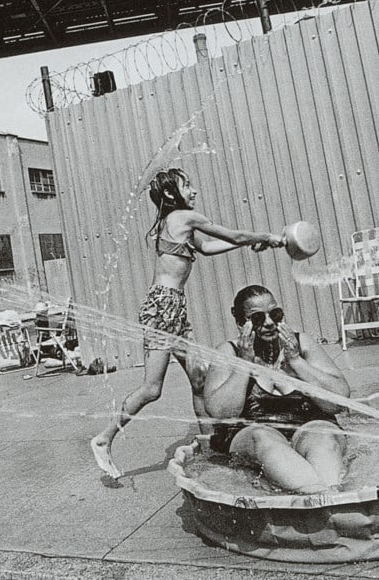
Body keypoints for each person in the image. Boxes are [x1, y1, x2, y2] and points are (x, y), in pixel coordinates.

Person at [90, 168, 288, 479]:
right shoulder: (183, 217)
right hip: (162, 308)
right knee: (152, 389)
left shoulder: (179, 223)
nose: (193, 190)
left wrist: (247, 244)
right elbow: (233, 235)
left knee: (199, 380)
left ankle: (213, 446)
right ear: (171, 194)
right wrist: (266, 237)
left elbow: (208, 248)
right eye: (187, 186)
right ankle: (104, 439)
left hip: (175, 308)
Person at [204, 285, 350, 493]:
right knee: (262, 436)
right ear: (240, 323)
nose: (270, 323)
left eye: (275, 314)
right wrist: (244, 363)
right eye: (257, 318)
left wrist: (296, 361)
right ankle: (318, 494)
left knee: (323, 435)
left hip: (308, 426)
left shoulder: (301, 343)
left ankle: (330, 497)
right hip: (253, 433)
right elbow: (221, 414)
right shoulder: (229, 352)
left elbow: (338, 402)